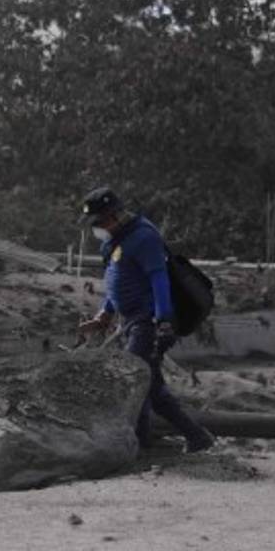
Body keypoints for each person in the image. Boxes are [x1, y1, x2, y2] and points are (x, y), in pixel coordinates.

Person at [77, 186, 214, 454]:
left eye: (99, 222)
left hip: (147, 321)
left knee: (134, 381)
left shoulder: (143, 236)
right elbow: (118, 281)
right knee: (149, 385)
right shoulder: (114, 240)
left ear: (114, 215)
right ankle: (193, 437)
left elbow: (158, 278)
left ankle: (142, 445)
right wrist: (105, 313)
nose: (96, 228)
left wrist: (162, 320)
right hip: (129, 321)